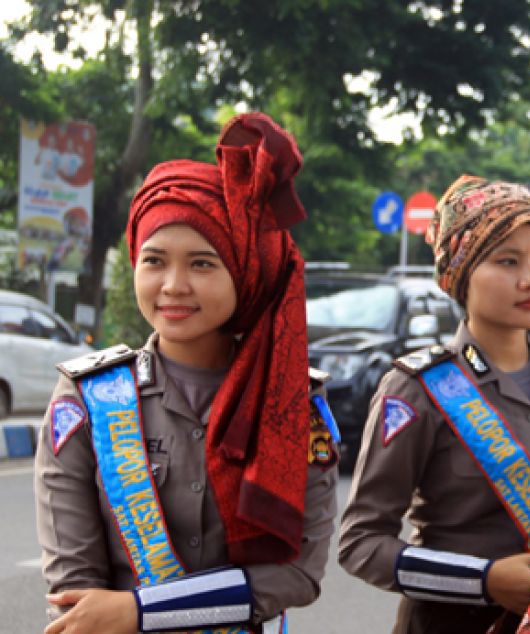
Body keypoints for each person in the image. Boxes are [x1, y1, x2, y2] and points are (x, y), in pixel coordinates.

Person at [33, 113, 339, 634]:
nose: (173, 284)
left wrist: (140, 611)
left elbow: (296, 575)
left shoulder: (289, 403)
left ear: (243, 273)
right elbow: (75, 592)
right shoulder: (89, 397)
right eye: (154, 261)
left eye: (202, 264)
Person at [338, 175, 530, 634]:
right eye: (507, 261)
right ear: (462, 274)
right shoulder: (418, 389)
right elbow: (361, 545)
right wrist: (484, 581)